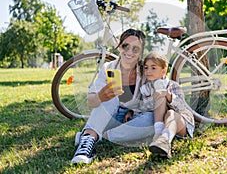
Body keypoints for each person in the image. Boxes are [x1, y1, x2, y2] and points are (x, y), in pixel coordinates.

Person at [71, 29, 155, 164]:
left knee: (154, 119)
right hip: (109, 116)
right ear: (119, 46)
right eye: (125, 46)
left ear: (141, 52)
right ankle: (85, 148)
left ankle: (94, 135)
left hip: (133, 119)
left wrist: (133, 110)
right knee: (110, 98)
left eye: (135, 49)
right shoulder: (108, 67)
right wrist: (100, 96)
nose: (129, 52)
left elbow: (155, 101)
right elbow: (91, 102)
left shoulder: (147, 70)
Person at [125, 51, 195, 158]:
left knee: (170, 111)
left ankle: (159, 136)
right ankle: (163, 142)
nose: (148, 71)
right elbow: (143, 107)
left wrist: (168, 95)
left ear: (163, 71)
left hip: (180, 122)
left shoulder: (173, 86)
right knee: (159, 96)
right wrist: (131, 111)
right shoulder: (146, 89)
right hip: (164, 126)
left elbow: (181, 107)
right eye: (146, 68)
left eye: (153, 68)